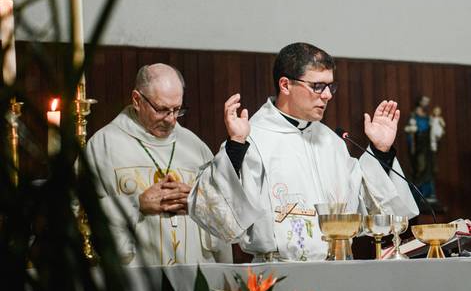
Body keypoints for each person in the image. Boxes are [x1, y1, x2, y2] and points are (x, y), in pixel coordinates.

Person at [188, 42, 419, 261]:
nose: (327, 95)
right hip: (279, 272)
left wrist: (380, 151)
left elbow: (367, 209)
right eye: (318, 86)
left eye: (331, 86)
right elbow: (217, 216)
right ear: (285, 85)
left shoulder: (332, 142)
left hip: (339, 267)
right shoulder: (253, 137)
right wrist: (236, 146)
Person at [85, 63, 232, 266]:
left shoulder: (195, 147)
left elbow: (225, 216)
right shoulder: (104, 146)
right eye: (162, 110)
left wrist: (197, 200)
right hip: (135, 278)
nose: (171, 120)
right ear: (137, 100)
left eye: (177, 110)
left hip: (194, 276)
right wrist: (137, 204)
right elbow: (80, 214)